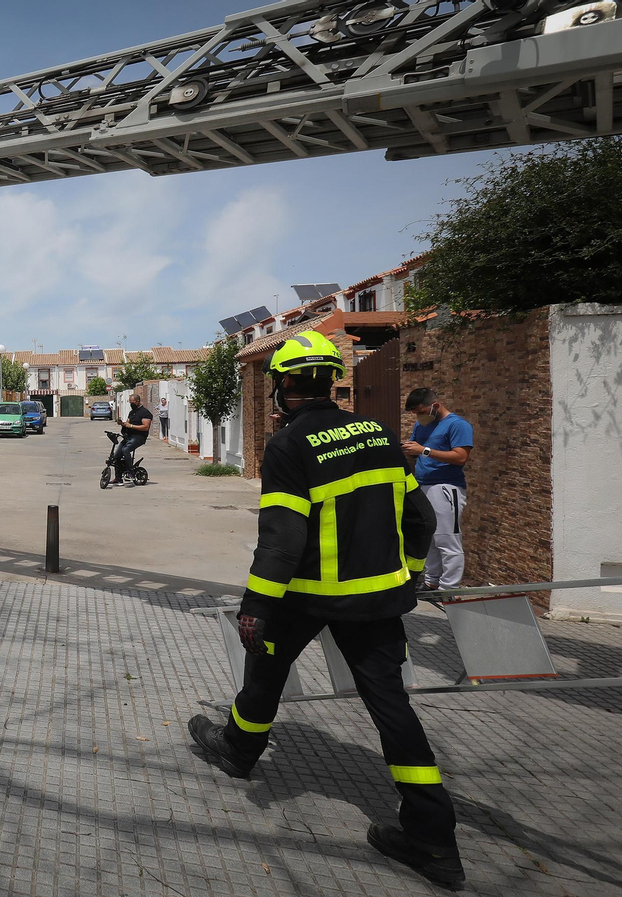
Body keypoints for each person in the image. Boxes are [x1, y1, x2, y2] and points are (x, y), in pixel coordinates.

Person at [186, 331, 462, 890]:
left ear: (284, 383)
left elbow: (282, 537)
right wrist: (408, 571)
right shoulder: (381, 433)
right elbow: (421, 520)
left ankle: (240, 750)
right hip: (378, 598)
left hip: (307, 593)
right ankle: (433, 839)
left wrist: (256, 605)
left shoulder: (290, 446)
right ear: (330, 380)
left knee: (265, 669)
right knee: (392, 707)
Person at [402, 388, 473, 591]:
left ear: (435, 405)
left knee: (447, 537)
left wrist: (423, 450)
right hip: (423, 485)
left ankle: (449, 587)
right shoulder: (421, 425)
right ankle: (432, 580)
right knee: (430, 536)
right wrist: (408, 451)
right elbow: (417, 455)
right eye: (415, 413)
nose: (418, 417)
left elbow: (461, 457)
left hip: (446, 486)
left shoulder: (458, 425)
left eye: (420, 411)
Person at [111, 394, 152, 485]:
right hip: (128, 436)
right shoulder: (132, 412)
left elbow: (146, 427)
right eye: (130, 402)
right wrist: (122, 424)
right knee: (116, 455)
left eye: (132, 402)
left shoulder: (145, 413)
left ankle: (131, 473)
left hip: (139, 437)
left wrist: (131, 426)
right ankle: (118, 478)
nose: (131, 404)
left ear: (137, 401)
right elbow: (128, 423)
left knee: (126, 450)